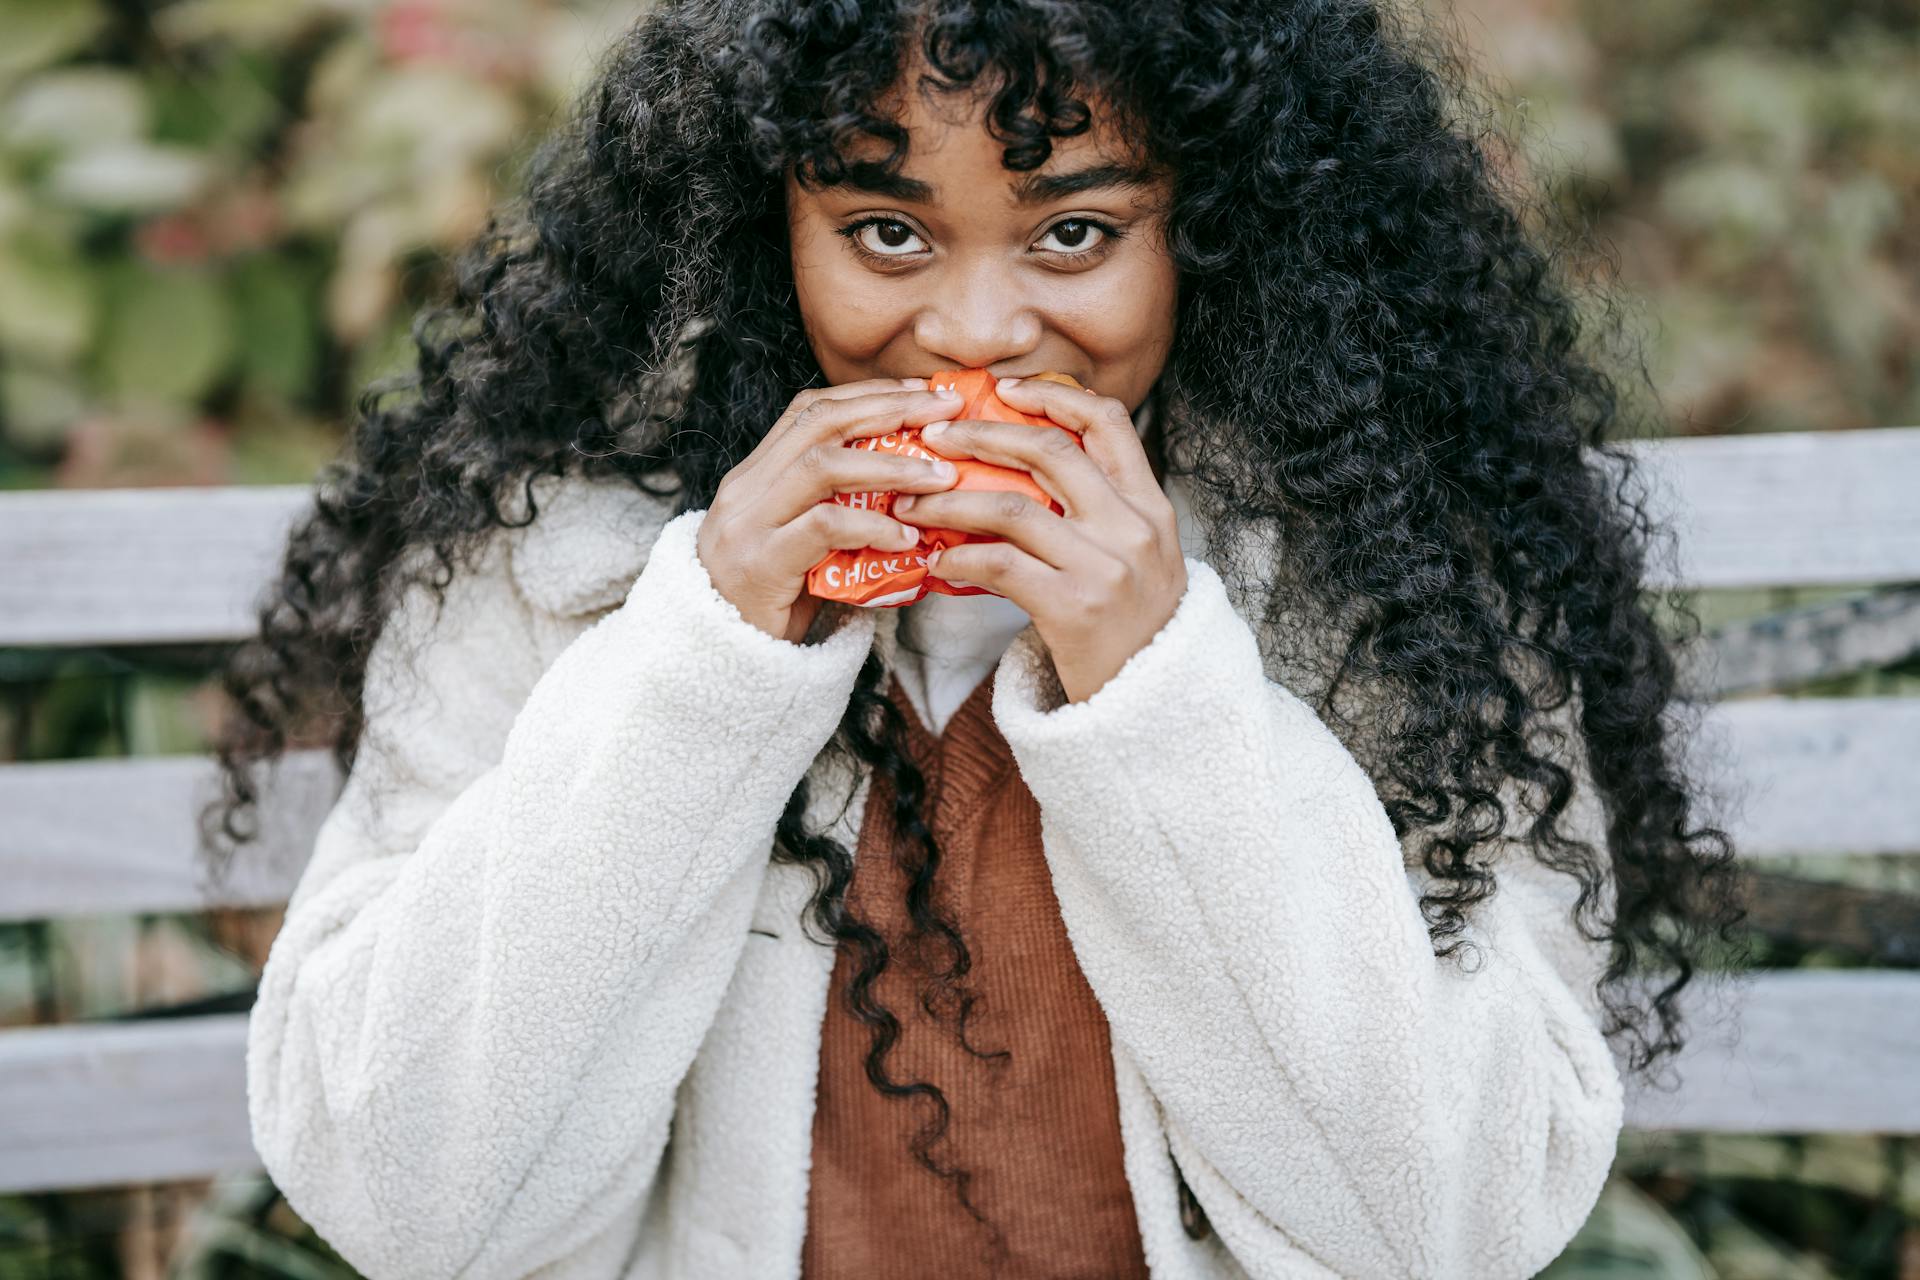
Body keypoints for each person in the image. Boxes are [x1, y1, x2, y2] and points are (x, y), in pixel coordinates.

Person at [205, 1, 1749, 1277]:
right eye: (886, 230)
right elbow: (403, 1202)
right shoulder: (563, 561)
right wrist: (702, 664)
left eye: (1075, 233)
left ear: (1212, 233)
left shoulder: (1398, 586)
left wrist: (1163, 692)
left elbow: (1456, 1231)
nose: (973, 332)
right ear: (771, 230)